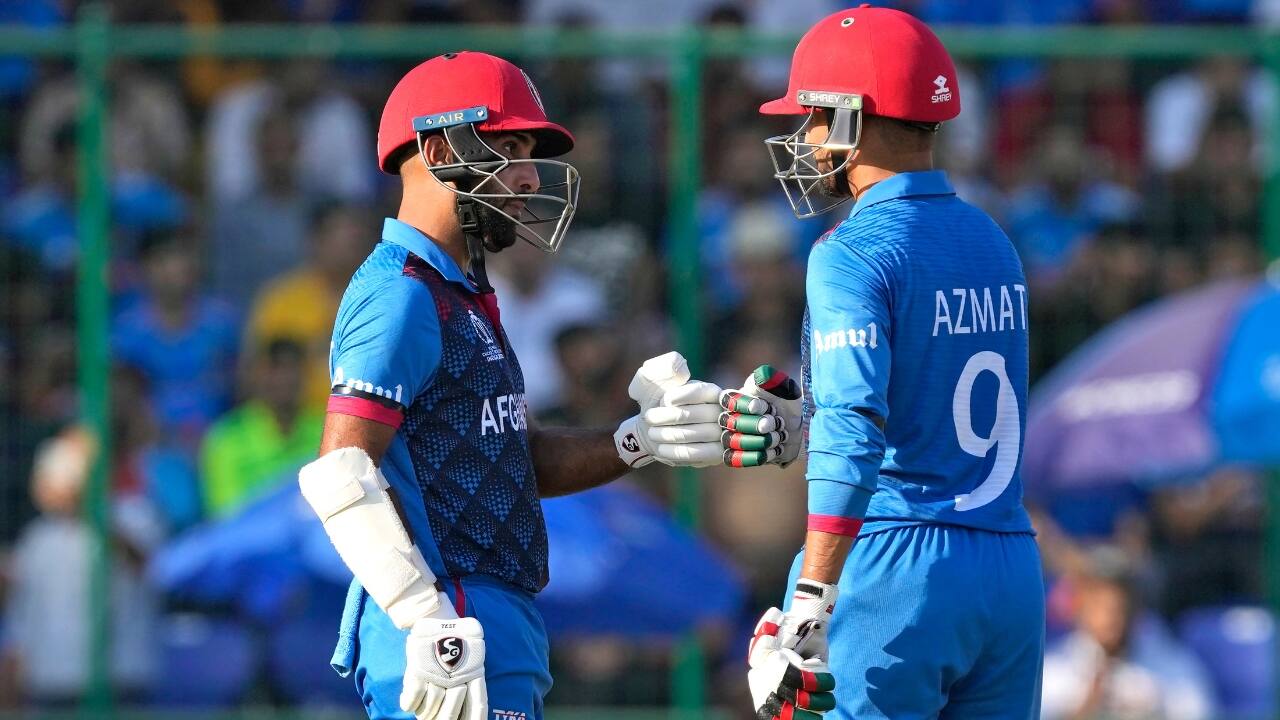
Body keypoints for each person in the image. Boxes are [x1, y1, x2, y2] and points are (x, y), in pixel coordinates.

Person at [298, 52, 730, 720]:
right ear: (441, 148)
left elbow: (512, 462)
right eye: (510, 148)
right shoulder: (401, 294)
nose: (529, 175)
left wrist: (638, 440)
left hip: (488, 618)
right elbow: (342, 473)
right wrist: (423, 617)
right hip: (448, 620)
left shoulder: (459, 293)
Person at [722, 8, 1045, 719]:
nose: (803, 139)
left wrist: (810, 601)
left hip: (896, 563)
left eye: (811, 117)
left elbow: (856, 425)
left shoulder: (853, 249)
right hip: (1009, 567)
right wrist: (803, 420)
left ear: (847, 119)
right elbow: (930, 399)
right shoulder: (993, 238)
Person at [1041, 546, 1215, 720]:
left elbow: (1197, 709)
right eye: (1099, 603)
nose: (1111, 615)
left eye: (1119, 603)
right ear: (1079, 606)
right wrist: (1085, 709)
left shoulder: (1166, 659)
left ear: (1136, 606)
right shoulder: (1056, 667)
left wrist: (1151, 708)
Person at [201, 338, 324, 519]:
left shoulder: (327, 429)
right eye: (274, 369)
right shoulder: (227, 439)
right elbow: (227, 516)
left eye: (292, 368)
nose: (284, 379)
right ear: (254, 376)